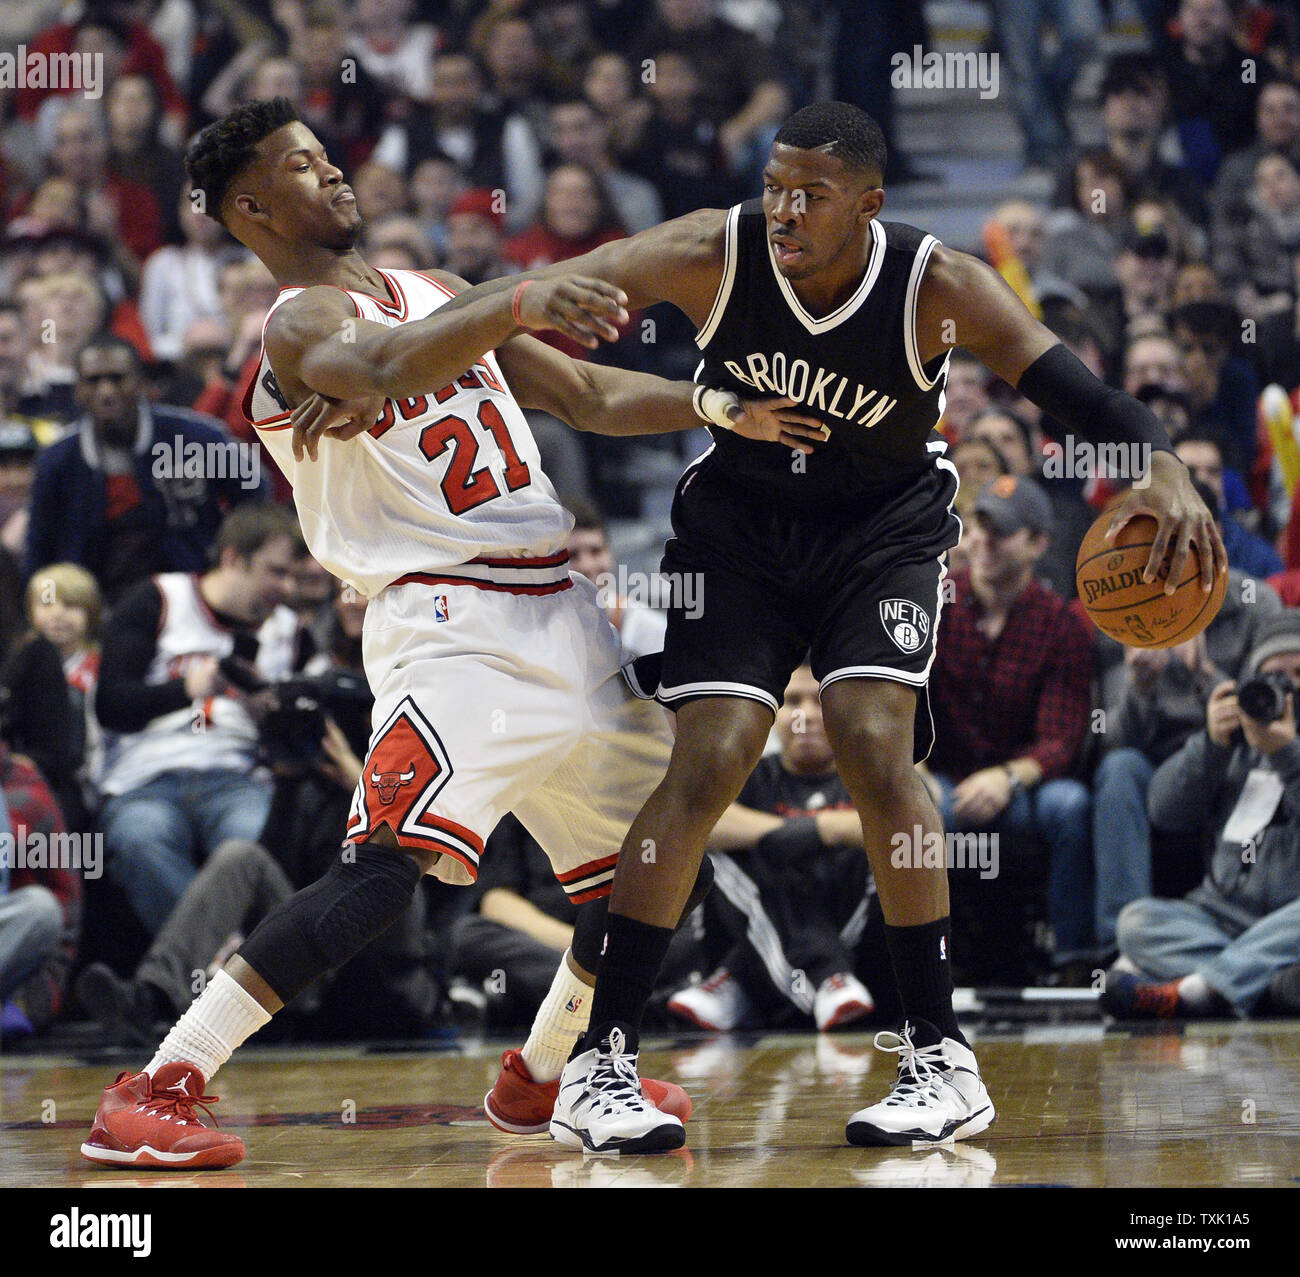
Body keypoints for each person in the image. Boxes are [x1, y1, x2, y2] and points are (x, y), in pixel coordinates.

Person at [81, 96, 819, 1168]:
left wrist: (716, 405)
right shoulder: (294, 324)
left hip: (560, 605)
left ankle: (545, 1076)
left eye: (329, 155)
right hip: (450, 621)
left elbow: (584, 394)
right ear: (251, 204)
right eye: (303, 164)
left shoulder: (432, 294)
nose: (334, 173)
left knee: (663, 865)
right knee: (382, 872)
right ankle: (156, 1084)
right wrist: (516, 293)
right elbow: (381, 371)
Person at [503, 99, 1222, 1152]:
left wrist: (1159, 459)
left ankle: (937, 1050)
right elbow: (518, 306)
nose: (785, 209)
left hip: (880, 532)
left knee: (875, 743)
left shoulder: (938, 286)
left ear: (869, 204)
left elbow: (1081, 392)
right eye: (774, 187)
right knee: (703, 765)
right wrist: (406, 318)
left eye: (813, 194)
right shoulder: (712, 250)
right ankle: (603, 1060)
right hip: (740, 529)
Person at [666, 663, 887, 1033]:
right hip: (817, 958)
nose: (807, 715)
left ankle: (740, 983)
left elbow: (902, 831)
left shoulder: (873, 773)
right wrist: (826, 829)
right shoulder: (751, 774)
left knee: (886, 855)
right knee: (718, 855)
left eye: (820, 702)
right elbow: (704, 825)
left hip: (856, 934)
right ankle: (828, 979)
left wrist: (772, 838)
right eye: (792, 701)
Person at [1101, 611, 1300, 1019]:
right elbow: (1163, 811)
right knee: (1136, 921)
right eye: (1274, 676)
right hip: (1218, 918)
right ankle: (1260, 986)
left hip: (1290, 921)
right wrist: (1211, 745)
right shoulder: (1234, 744)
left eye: (1298, 674)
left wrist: (1286, 754)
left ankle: (1196, 989)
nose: (1288, 688)